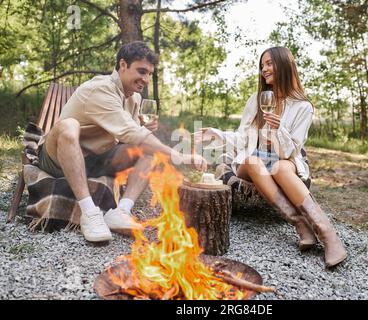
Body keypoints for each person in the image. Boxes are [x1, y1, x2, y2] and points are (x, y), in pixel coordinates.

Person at [37, 41, 207, 243]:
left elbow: (130, 135)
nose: (145, 79)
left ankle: (122, 210)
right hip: (58, 157)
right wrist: (178, 155)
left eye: (149, 74)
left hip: (95, 158)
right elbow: (131, 132)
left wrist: (142, 132)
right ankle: (90, 214)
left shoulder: (133, 98)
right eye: (141, 71)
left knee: (148, 151)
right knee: (69, 126)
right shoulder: (100, 89)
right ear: (123, 65)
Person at [198, 47, 347, 268]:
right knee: (253, 161)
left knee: (280, 168)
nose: (264, 69)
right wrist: (216, 134)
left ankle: (326, 233)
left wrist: (279, 129)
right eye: (262, 65)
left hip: (283, 158)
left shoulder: (303, 107)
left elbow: (292, 151)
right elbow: (242, 138)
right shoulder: (256, 99)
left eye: (269, 64)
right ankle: (299, 224)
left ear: (284, 65)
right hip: (254, 159)